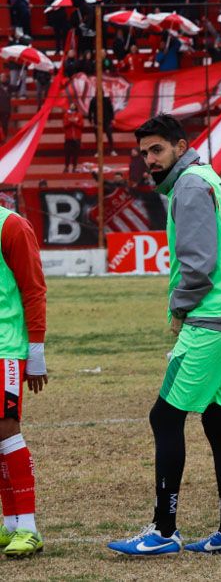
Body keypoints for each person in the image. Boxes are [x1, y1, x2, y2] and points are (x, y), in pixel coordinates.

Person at [108, 114, 221, 555]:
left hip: (209, 321)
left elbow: (198, 262)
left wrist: (179, 309)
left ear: (179, 145)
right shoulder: (205, 178)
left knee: (164, 418)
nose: (150, 160)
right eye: (144, 153)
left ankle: (163, 530)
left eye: (157, 150)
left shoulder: (190, 185)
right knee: (217, 421)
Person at [0, 206, 49, 557]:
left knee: (6, 427)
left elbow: (33, 289)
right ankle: (11, 524)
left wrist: (35, 350)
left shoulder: (12, 225)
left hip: (5, 345)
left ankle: (29, 527)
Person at [62, 104, 84, 173]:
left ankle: (74, 167)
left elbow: (81, 125)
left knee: (75, 153)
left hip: (77, 137)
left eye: (73, 106)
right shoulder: (66, 115)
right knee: (67, 153)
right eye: (71, 106)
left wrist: (75, 122)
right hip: (68, 137)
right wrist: (70, 121)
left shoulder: (79, 115)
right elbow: (65, 125)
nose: (72, 107)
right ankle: (66, 167)